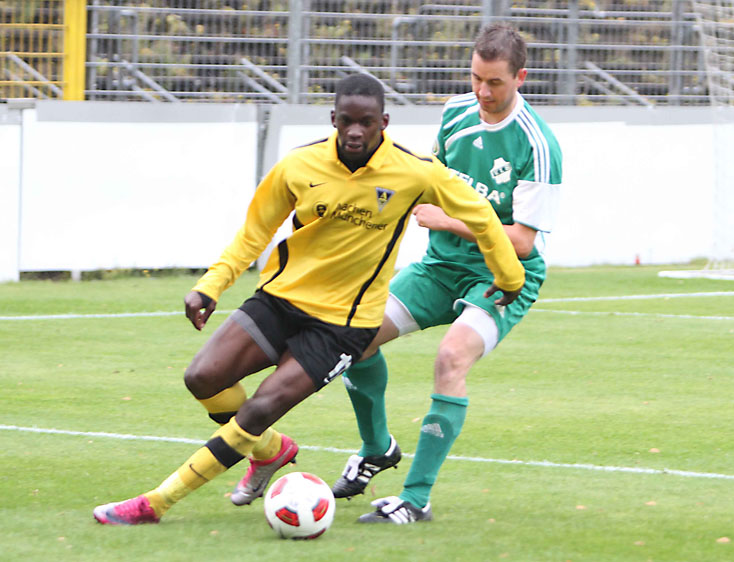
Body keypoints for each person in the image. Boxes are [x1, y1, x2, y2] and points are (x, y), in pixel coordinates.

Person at [92, 72, 525, 526]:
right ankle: (271, 452)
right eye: (347, 121)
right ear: (333, 118)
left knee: (260, 408)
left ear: (384, 122)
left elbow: (480, 215)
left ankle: (155, 503)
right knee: (203, 377)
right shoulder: (298, 165)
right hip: (281, 299)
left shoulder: (415, 170)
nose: (355, 131)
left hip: (344, 324)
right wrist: (210, 285)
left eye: (366, 122)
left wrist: (508, 275)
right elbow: (253, 233)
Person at [331, 23, 563, 524]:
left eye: (495, 82)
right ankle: (376, 448)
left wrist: (449, 221)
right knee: (354, 336)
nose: (483, 91)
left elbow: (523, 241)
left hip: (503, 277)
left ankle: (415, 499)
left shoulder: (538, 144)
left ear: (520, 77)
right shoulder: (456, 113)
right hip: (440, 267)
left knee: (450, 358)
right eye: (476, 78)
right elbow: (430, 180)